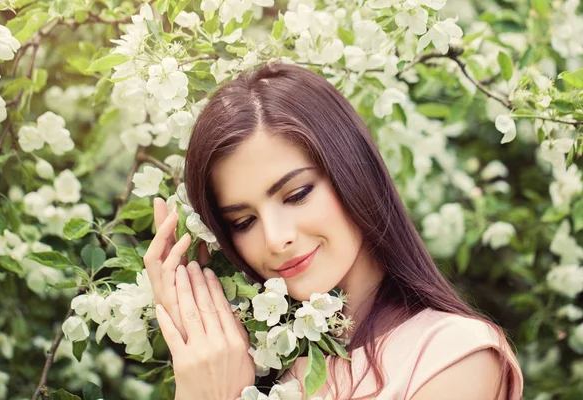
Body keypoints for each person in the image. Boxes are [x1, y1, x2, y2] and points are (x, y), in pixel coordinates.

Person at [143, 62, 525, 400]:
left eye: (297, 194)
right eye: (243, 222)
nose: (276, 238)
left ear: (353, 172)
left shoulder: (453, 357)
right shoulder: (254, 364)